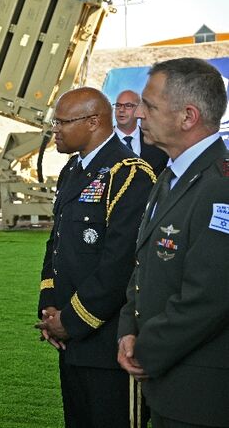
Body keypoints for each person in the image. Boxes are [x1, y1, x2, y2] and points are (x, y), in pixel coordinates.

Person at [117, 58, 229, 428]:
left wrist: (146, 350)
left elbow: (210, 296)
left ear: (188, 116)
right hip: (169, 384)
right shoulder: (172, 174)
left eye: (149, 106)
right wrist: (128, 331)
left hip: (201, 395)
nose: (139, 116)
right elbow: (143, 267)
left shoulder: (220, 185)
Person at [37, 87, 156, 428]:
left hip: (109, 345)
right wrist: (49, 304)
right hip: (70, 341)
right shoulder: (72, 171)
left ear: (92, 122)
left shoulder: (129, 174)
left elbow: (119, 266)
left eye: (62, 123)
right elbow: (56, 245)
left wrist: (71, 322)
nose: (54, 131)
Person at [114, 89, 168, 174]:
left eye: (128, 105)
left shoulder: (157, 143)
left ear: (140, 108)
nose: (121, 110)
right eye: (118, 105)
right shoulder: (101, 142)